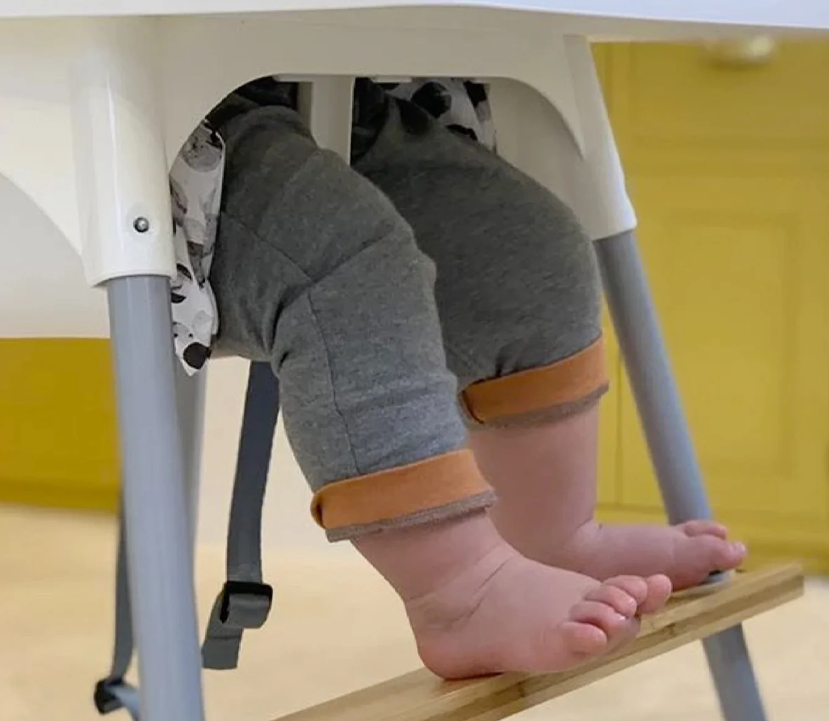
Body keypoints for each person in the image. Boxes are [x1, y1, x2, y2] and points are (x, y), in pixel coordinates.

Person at [169, 77, 746, 681]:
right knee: (341, 258)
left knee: (528, 248)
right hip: (168, 126)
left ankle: (557, 536)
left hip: (312, 85)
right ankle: (460, 594)